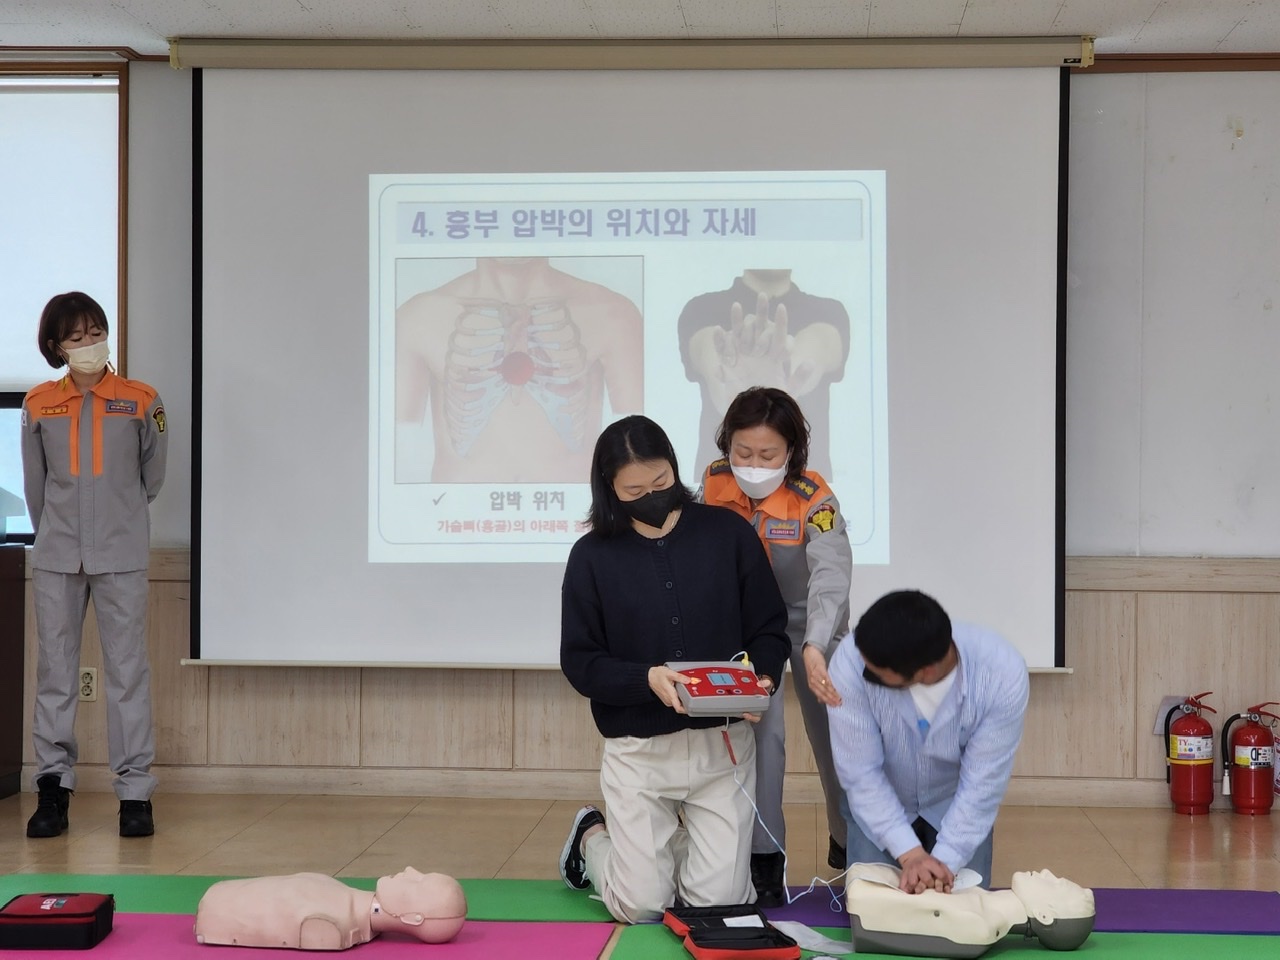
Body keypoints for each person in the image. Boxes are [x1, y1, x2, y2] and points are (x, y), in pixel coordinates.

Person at [558, 415, 791, 923]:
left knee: (720, 907)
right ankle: (592, 838)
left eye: (661, 482)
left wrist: (763, 680)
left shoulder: (726, 533)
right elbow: (580, 661)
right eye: (634, 489)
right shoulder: (591, 557)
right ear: (609, 490)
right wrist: (645, 679)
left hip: (722, 746)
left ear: (674, 469)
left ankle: (667, 852)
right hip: (639, 752)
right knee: (642, 906)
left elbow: (770, 628)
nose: (651, 496)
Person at [20, 291, 167, 839]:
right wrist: (57, 531)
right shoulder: (38, 403)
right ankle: (53, 790)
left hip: (121, 553)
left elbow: (152, 477)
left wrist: (119, 516)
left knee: (128, 672)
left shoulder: (140, 398)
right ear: (56, 345)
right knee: (54, 673)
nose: (89, 344)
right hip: (58, 554)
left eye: (96, 332)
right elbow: (36, 487)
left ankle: (135, 794)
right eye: (76, 337)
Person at [700, 387, 852, 905]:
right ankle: (765, 859)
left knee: (835, 733)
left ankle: (850, 840)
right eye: (744, 452)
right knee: (765, 737)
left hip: (811, 620)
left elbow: (830, 576)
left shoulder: (815, 498)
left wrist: (815, 645)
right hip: (749, 627)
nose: (754, 464)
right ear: (727, 446)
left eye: (768, 455)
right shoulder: (714, 483)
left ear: (792, 451)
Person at [827, 590, 1029, 894]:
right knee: (875, 915)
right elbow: (860, 774)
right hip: (879, 801)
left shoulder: (1002, 675)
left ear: (925, 672)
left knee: (961, 917)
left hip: (956, 802)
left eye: (876, 672)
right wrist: (910, 856)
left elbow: (982, 787)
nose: (865, 670)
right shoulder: (850, 660)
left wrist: (942, 864)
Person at [395, 256, 644, 482]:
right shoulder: (416, 317)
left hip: (578, 518)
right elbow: (398, 442)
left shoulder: (614, 313)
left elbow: (643, 437)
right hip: (454, 516)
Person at [678, 269, 849, 479]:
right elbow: (708, 353)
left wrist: (785, 369)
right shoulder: (702, 308)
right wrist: (731, 380)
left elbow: (817, 346)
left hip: (806, 496)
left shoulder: (828, 310)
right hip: (719, 490)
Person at [845, 863, 1094, 958]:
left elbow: (867, 899)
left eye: (1055, 884)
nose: (1047, 872)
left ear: (1044, 916)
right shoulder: (981, 901)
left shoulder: (978, 926)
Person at [193, 867, 467, 949]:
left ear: (412, 918)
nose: (410, 870)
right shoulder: (340, 898)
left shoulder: (331, 924)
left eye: (418, 881)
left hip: (217, 907)